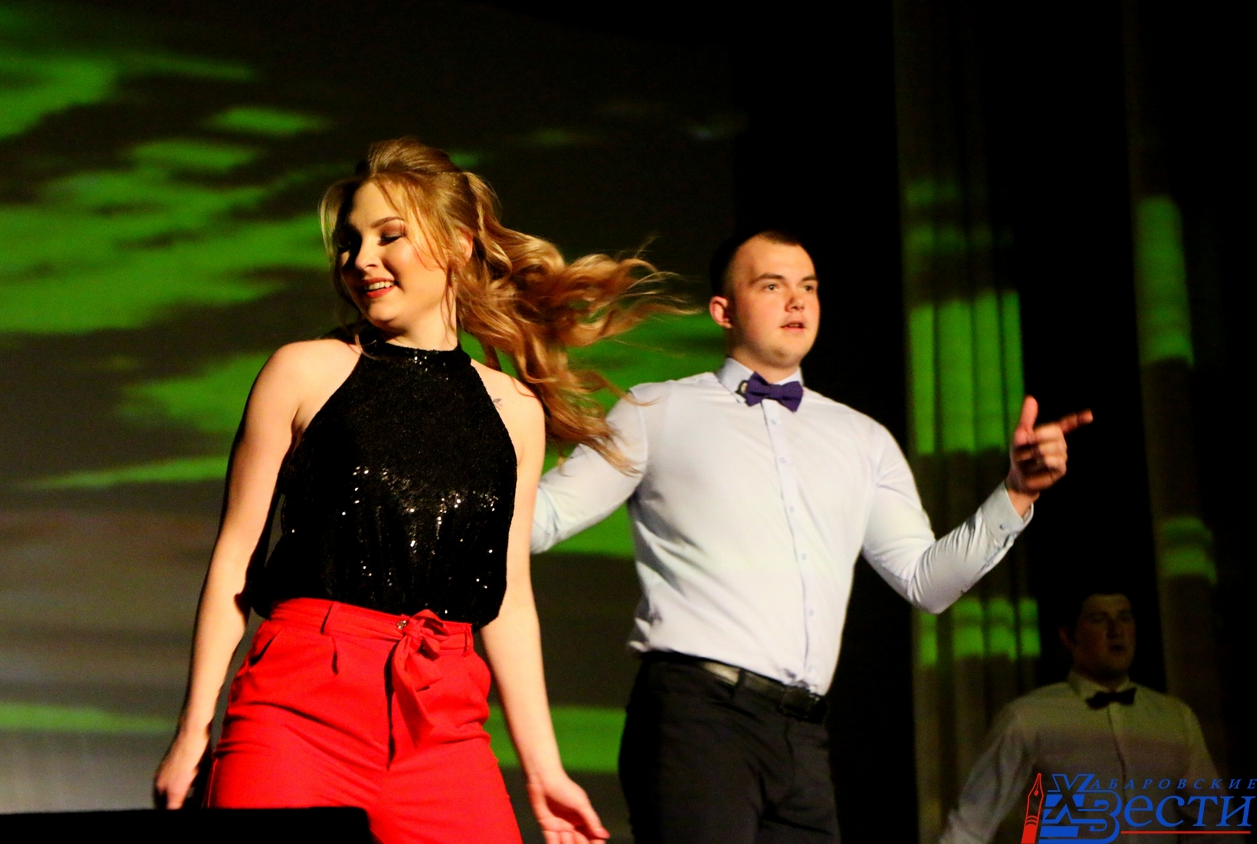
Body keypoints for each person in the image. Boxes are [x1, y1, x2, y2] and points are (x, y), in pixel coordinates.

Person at [154, 138, 668, 844]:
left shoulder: (514, 410)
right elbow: (235, 558)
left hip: (443, 722)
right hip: (296, 711)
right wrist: (193, 729)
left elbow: (509, 597)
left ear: (457, 245)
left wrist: (544, 769)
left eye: (388, 235)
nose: (361, 258)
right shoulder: (304, 372)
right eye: (350, 242)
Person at [531, 229, 1093, 843]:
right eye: (772, 286)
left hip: (802, 734)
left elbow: (926, 582)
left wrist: (1017, 492)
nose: (797, 301)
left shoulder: (862, 438)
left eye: (809, 287)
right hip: (698, 717)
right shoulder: (657, 411)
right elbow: (546, 516)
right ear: (723, 310)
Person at [940, 586, 1219, 843]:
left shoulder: (1175, 718)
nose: (1116, 631)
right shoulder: (1028, 718)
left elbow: (1214, 825)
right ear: (1069, 636)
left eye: (1124, 618)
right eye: (1099, 620)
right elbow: (970, 826)